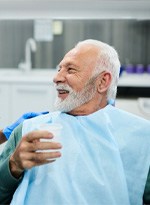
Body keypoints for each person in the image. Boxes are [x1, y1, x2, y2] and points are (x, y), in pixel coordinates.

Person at [0, 39, 150, 205]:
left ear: (102, 82)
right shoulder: (28, 133)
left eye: (70, 70)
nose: (56, 78)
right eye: (59, 69)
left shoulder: (142, 139)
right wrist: (12, 165)